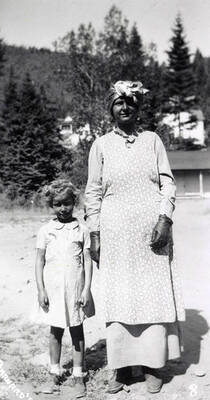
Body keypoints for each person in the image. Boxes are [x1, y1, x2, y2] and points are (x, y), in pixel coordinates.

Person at [84, 80, 185, 394]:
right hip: (115, 236)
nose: (124, 107)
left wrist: (165, 219)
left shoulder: (152, 140)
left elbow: (168, 184)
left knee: (152, 296)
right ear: (111, 109)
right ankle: (124, 368)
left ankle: (154, 366)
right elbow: (93, 192)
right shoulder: (100, 145)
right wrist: (95, 234)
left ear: (138, 108)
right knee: (121, 296)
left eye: (130, 102)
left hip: (152, 234)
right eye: (118, 103)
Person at [34, 179, 95, 398]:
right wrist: (41, 290)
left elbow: (87, 262)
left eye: (67, 203)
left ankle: (78, 375)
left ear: (74, 202)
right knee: (55, 331)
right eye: (58, 204)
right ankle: (54, 372)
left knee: (77, 330)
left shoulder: (82, 230)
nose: (63, 208)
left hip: (75, 289)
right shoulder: (45, 231)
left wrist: (86, 289)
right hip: (53, 290)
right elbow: (39, 261)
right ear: (51, 205)